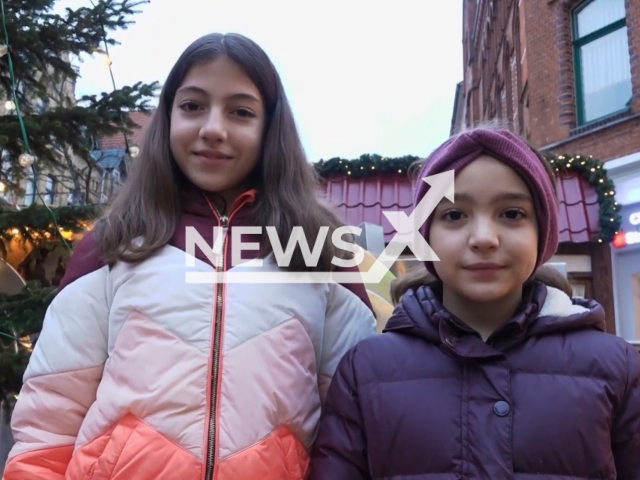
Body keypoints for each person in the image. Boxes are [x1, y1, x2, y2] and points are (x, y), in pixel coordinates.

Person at [3, 33, 376, 480]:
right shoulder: (113, 245)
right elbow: (49, 424)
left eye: (240, 111)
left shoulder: (320, 251)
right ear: (168, 117)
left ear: (269, 127)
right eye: (193, 106)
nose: (213, 128)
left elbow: (357, 426)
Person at [308, 127, 640, 479]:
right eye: (454, 215)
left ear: (542, 232)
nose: (484, 238)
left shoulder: (615, 367)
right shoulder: (365, 371)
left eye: (512, 214)